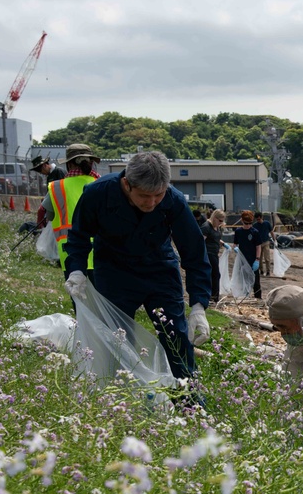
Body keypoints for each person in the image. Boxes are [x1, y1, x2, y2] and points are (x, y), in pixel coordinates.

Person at [63, 151, 212, 381]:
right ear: (127, 184)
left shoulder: (174, 201)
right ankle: (117, 395)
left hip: (159, 269)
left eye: (158, 195)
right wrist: (77, 270)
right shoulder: (98, 194)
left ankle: (188, 398)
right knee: (116, 338)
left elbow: (194, 254)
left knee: (176, 336)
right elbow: (79, 236)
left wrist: (199, 305)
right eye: (144, 196)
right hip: (114, 271)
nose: (151, 203)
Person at [38, 144, 102, 287]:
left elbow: (48, 214)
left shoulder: (57, 187)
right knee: (104, 303)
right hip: (102, 254)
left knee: (79, 301)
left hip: (72, 256)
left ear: (69, 164)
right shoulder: (102, 184)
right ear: (91, 163)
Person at [232, 210, 263, 299]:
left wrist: (257, 259)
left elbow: (258, 246)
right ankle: (244, 297)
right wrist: (235, 248)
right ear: (242, 221)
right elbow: (235, 244)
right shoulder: (238, 231)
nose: (248, 225)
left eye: (250, 223)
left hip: (253, 260)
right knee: (242, 280)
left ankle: (258, 298)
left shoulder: (255, 232)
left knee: (256, 282)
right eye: (246, 223)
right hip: (242, 260)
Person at [200, 209, 227, 303]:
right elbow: (200, 241)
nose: (221, 223)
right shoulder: (207, 227)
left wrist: (222, 243)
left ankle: (213, 295)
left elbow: (215, 237)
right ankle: (214, 297)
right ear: (214, 218)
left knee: (214, 275)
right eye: (220, 221)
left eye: (222, 221)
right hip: (208, 253)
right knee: (215, 274)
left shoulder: (217, 227)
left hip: (215, 253)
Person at [255, 211, 276, 277]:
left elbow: (271, 231)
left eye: (259, 219)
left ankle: (268, 271)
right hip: (258, 244)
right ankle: (261, 270)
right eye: (257, 219)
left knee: (267, 258)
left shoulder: (267, 223)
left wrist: (274, 239)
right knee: (259, 258)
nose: (258, 221)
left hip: (266, 242)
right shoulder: (255, 225)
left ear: (262, 218)